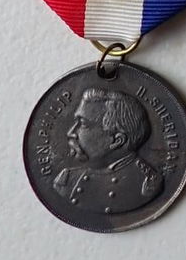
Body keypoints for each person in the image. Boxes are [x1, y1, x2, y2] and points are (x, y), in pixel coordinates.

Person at [52, 87, 163, 215]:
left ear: (117, 140)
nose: (71, 133)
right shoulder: (66, 180)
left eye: (83, 124)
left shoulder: (148, 184)